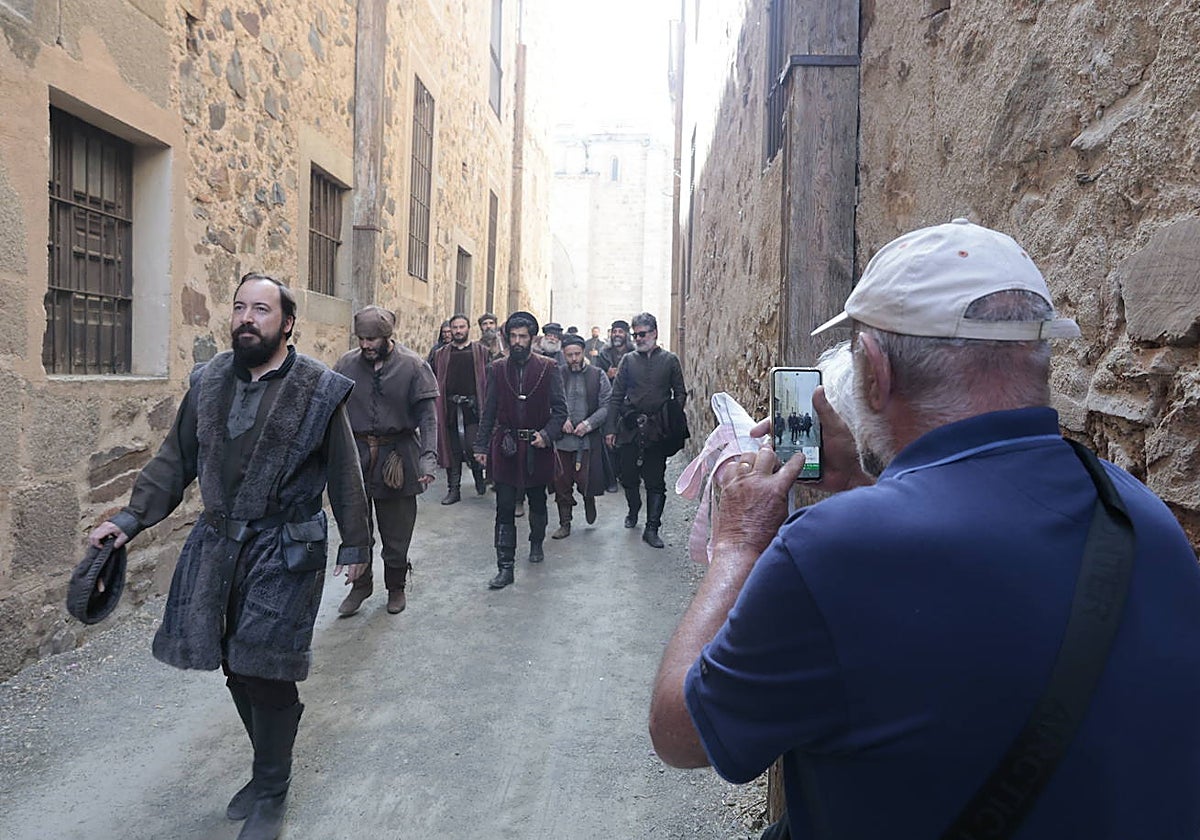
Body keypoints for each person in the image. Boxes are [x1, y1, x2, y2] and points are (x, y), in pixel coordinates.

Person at [648, 219, 1200, 839]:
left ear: (875, 372)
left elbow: (680, 732)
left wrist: (737, 545)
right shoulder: (1140, 515)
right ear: (1041, 355)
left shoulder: (833, 550)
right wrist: (867, 481)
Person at [87, 273, 370, 840]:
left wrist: (357, 545)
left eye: (261, 309)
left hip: (287, 546)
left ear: (287, 323)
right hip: (218, 542)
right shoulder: (210, 379)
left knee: (264, 668)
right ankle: (272, 752)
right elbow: (175, 460)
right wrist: (127, 519)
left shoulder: (320, 387)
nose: (246, 318)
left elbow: (344, 472)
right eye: (240, 307)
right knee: (233, 664)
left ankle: (271, 786)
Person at [334, 305, 439, 617]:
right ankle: (361, 585)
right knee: (356, 526)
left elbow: (428, 418)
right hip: (357, 455)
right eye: (361, 339)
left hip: (398, 456)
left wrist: (428, 460)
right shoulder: (346, 364)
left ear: (386, 337)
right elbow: (330, 408)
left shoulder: (413, 366)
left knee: (397, 531)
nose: (365, 345)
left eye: (371, 339)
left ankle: (396, 586)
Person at [474, 311, 567, 589]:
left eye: (522, 337)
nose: (517, 341)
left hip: (537, 447)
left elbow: (560, 411)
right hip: (506, 446)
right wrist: (481, 445)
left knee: (537, 501)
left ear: (532, 338)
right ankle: (505, 567)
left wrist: (547, 435)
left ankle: (536, 543)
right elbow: (488, 410)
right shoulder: (497, 368)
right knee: (504, 507)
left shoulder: (549, 368)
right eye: (513, 336)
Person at [605, 312, 687, 549]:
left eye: (642, 334)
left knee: (655, 480)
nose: (638, 338)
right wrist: (611, 428)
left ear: (654, 333)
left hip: (657, 431)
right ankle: (634, 508)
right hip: (631, 426)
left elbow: (680, 392)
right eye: (636, 334)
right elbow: (616, 396)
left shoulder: (670, 360)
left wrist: (669, 417)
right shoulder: (629, 361)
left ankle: (652, 528)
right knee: (628, 476)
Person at [550, 333, 611, 539]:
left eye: (577, 354)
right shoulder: (557, 374)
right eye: (569, 355)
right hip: (563, 440)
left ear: (583, 353)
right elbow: (550, 402)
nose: (574, 359)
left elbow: (606, 405)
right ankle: (565, 523)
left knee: (586, 479)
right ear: (563, 355)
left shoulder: (598, 375)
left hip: (587, 440)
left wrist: (588, 424)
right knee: (561, 482)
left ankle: (588, 498)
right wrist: (562, 419)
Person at [431, 313, 490, 505]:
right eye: (455, 327)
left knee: (474, 446)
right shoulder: (441, 354)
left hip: (473, 409)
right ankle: (453, 490)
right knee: (452, 449)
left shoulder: (481, 352)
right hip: (449, 408)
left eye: (461, 327)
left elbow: (489, 380)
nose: (458, 331)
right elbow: (433, 378)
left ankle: (478, 477)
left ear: (468, 328)